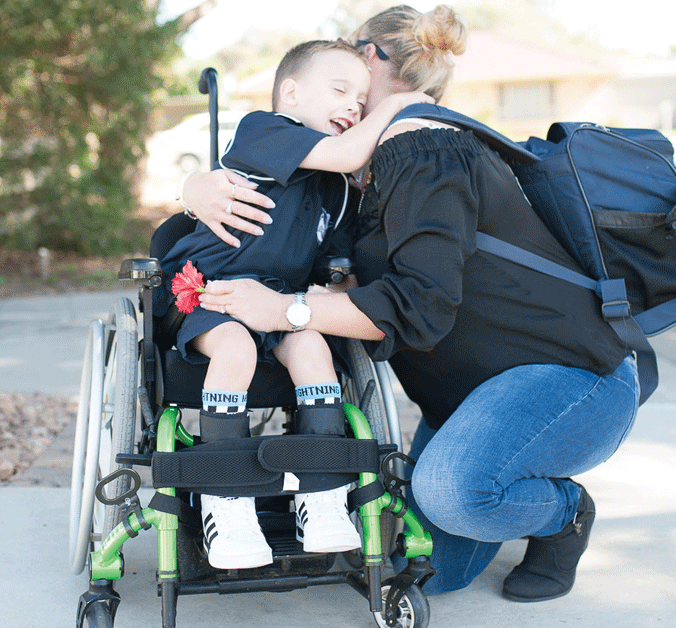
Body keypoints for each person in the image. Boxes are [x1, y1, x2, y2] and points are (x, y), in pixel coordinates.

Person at [178, 4, 640, 603]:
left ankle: (564, 513)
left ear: (369, 57)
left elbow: (419, 305)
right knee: (432, 572)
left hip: (569, 379)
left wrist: (287, 311)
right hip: (469, 399)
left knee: (456, 494)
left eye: (348, 55)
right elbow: (284, 228)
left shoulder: (423, 148)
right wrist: (197, 188)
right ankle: (501, 468)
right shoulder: (357, 166)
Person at [158, 39, 433, 570]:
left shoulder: (336, 191)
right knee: (235, 347)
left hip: (276, 301)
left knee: (312, 346)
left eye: (361, 98)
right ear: (290, 92)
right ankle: (226, 502)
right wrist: (398, 104)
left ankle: (322, 494)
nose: (354, 106)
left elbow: (334, 261)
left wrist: (341, 290)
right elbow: (350, 152)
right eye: (340, 91)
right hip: (211, 290)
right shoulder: (265, 131)